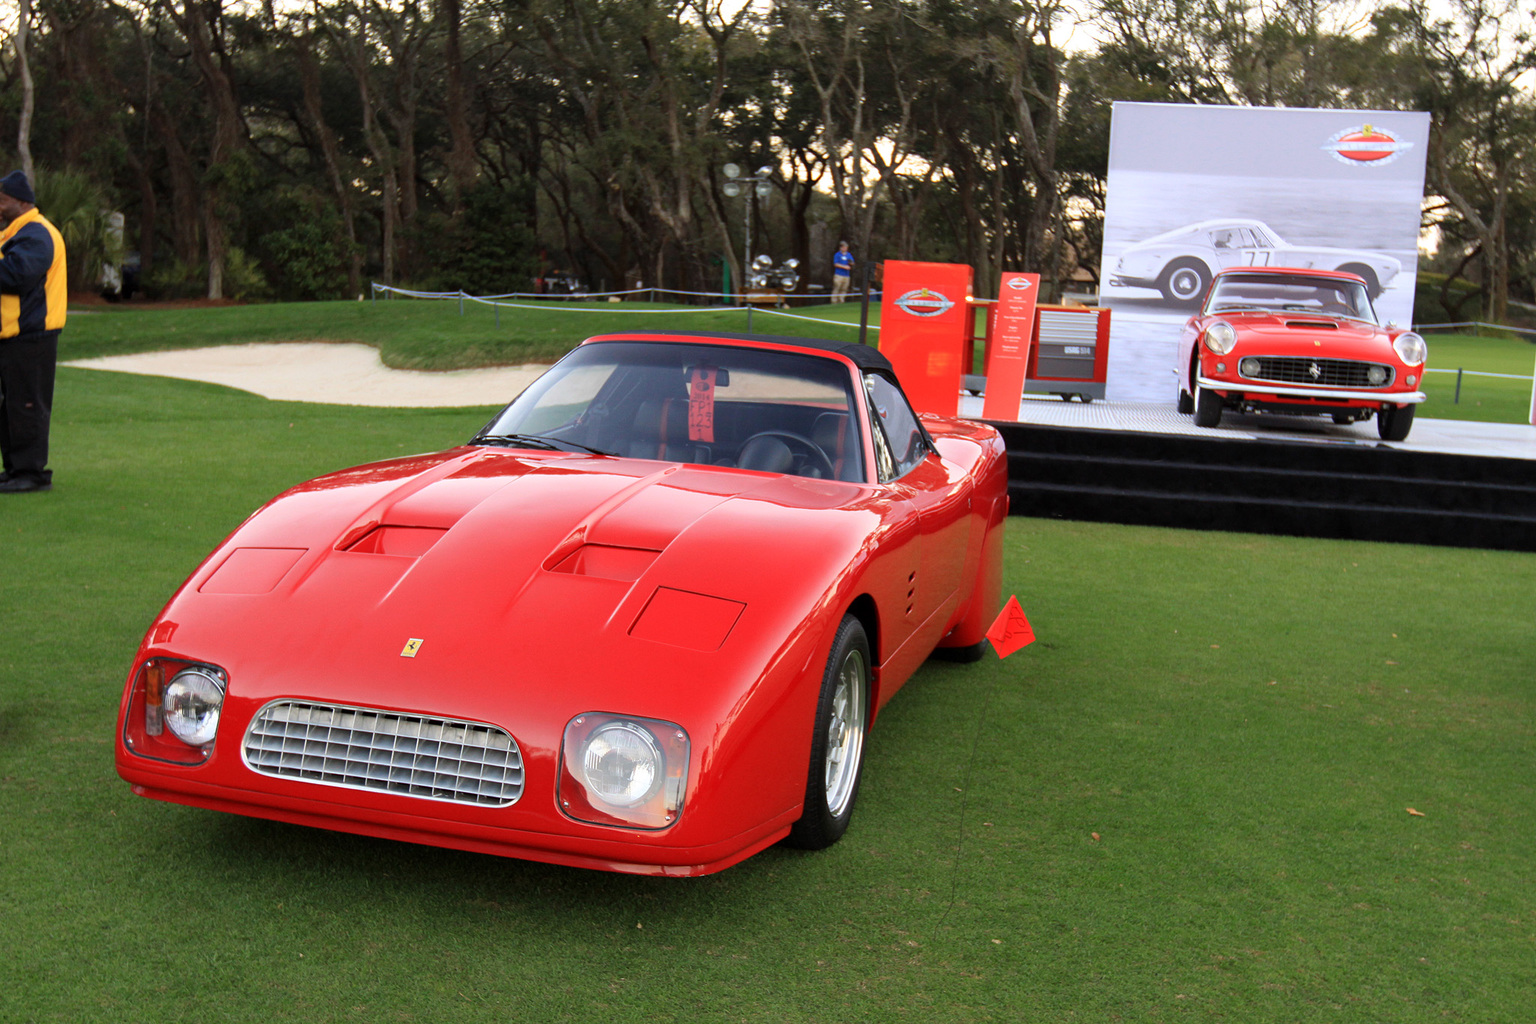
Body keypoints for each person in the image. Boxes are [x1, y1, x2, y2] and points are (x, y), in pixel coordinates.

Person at [0, 170, 68, 494]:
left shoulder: (37, 233)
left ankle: (32, 474)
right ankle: (15, 469)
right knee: (11, 406)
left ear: (22, 201)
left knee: (27, 405)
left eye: (3, 199)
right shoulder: (14, 233)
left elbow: (16, 276)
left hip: (32, 336)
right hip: (13, 336)